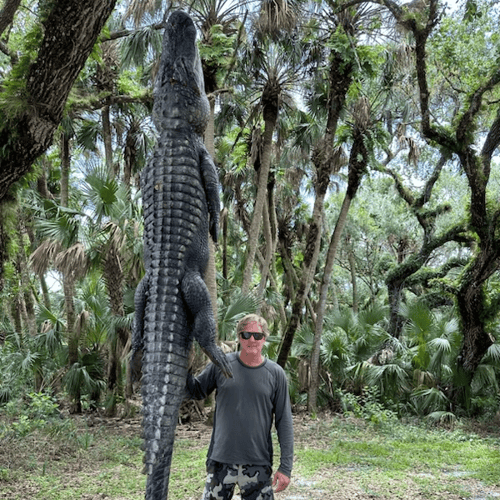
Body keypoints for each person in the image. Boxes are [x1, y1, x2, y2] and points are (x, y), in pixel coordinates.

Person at [185, 313, 294, 500]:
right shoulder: (221, 364)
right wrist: (182, 367)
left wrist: (285, 467)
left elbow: (284, 422)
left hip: (258, 463)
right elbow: (196, 391)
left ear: (264, 339)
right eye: (246, 335)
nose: (252, 339)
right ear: (239, 337)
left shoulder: (275, 374)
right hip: (221, 460)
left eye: (257, 335)